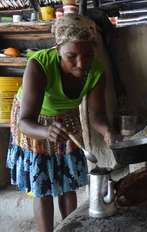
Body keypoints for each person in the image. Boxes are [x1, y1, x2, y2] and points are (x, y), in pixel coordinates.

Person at [6, 15, 112, 232]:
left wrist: (107, 131)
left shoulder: (96, 72)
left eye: (88, 55)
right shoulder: (39, 65)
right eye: (71, 56)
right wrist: (45, 132)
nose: (81, 64)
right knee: (43, 186)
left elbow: (96, 115)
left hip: (66, 118)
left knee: (68, 183)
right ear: (57, 50)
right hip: (35, 121)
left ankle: (69, 227)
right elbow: (25, 122)